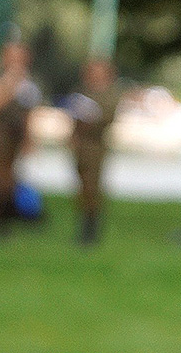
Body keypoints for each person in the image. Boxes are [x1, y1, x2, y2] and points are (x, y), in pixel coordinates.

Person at [0, 38, 41, 236]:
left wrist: (29, 138)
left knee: (9, 180)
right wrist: (9, 84)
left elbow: (29, 111)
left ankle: (4, 222)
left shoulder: (30, 81)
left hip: (16, 136)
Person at [66, 57, 120, 245]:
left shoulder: (110, 94)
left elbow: (105, 118)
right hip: (81, 146)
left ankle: (91, 227)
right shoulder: (82, 91)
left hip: (96, 146)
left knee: (92, 186)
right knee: (81, 185)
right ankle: (84, 223)